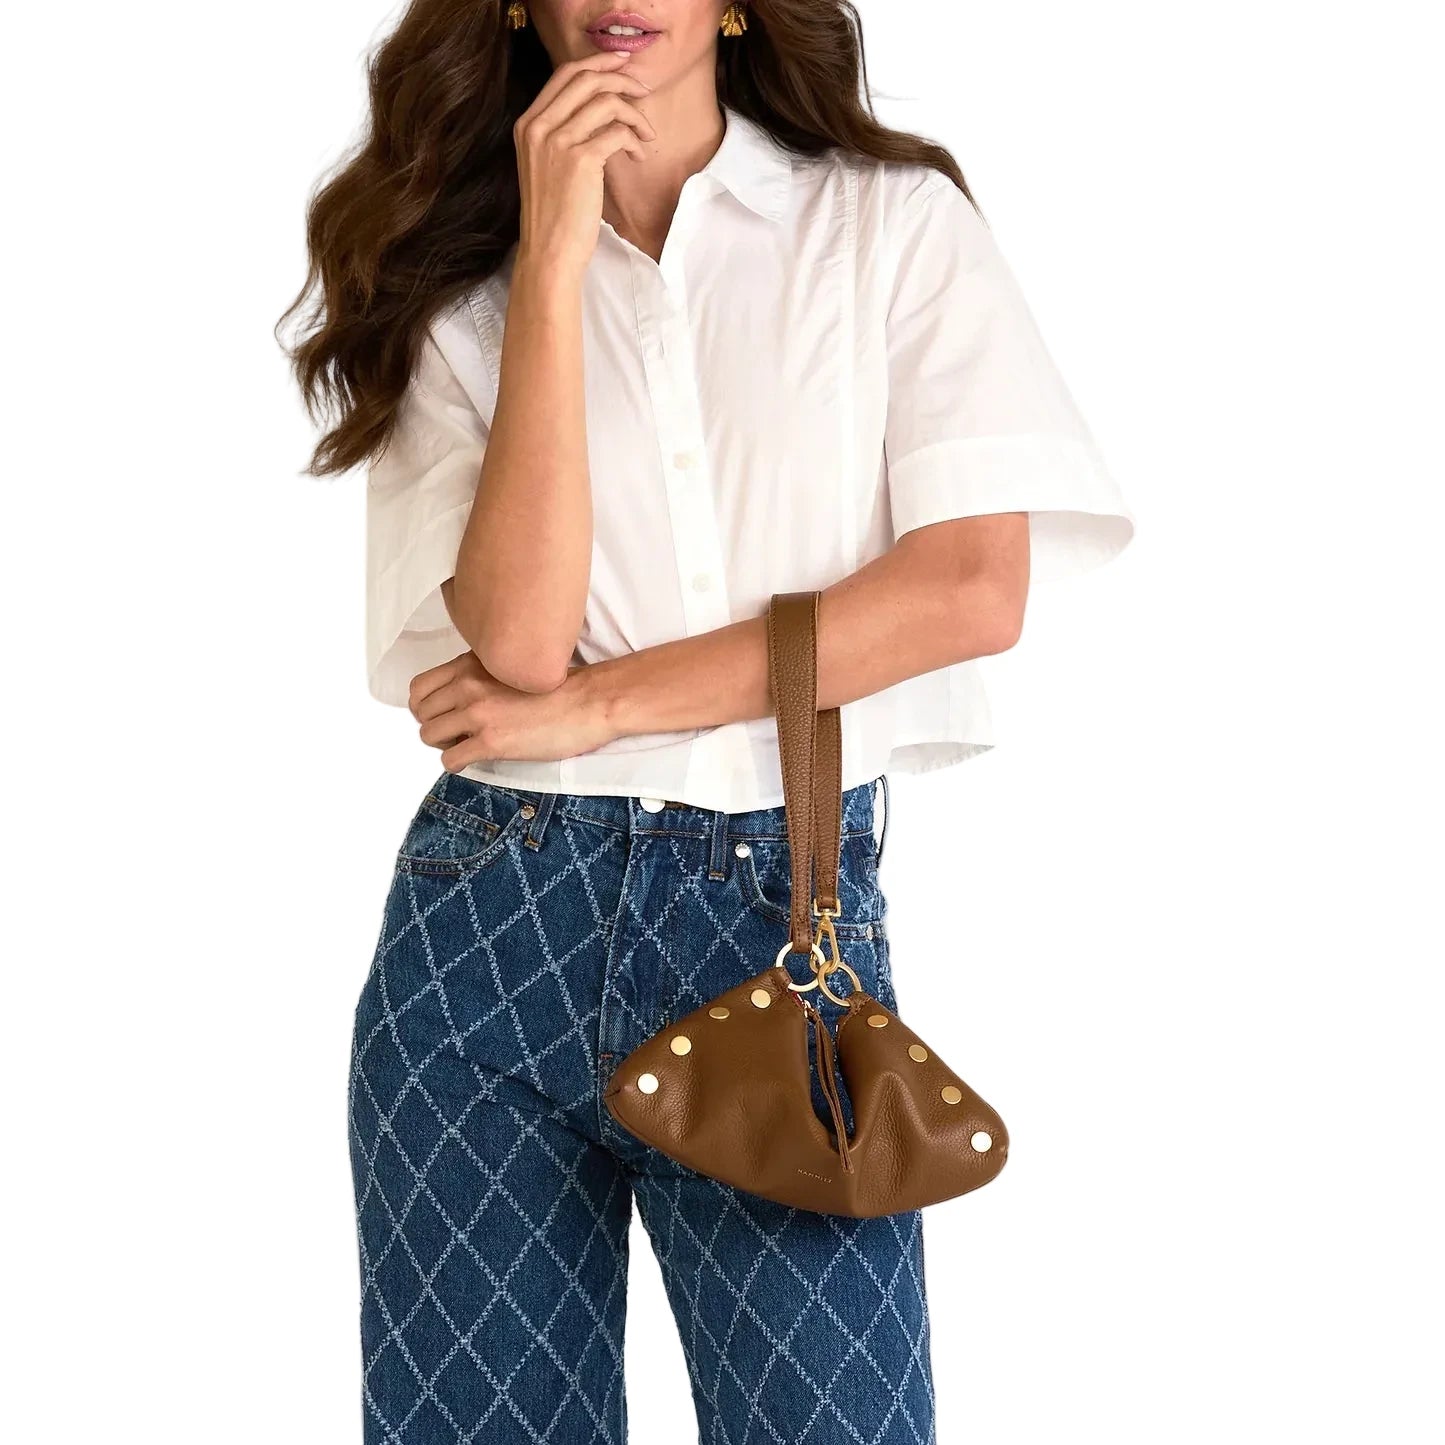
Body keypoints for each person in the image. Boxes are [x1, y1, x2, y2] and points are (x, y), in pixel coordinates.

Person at [282, 3, 1133, 1440]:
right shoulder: (458, 287)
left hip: (773, 919)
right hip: (485, 932)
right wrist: (551, 263)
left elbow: (968, 591)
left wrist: (602, 701)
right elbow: (518, 636)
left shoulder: (886, 229)